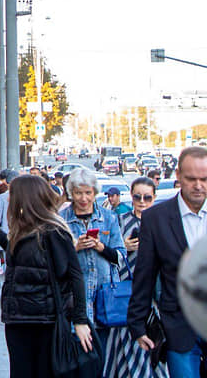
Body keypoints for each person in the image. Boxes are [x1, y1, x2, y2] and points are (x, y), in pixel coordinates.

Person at [0, 175, 93, 378]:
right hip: (19, 318)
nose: (9, 199)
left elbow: (75, 276)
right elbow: (16, 251)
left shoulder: (54, 231)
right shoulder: (25, 228)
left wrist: (80, 321)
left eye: (13, 195)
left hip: (43, 320)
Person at [128, 147, 207, 378]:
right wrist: (137, 323)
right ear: (178, 177)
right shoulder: (156, 218)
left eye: (204, 179)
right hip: (179, 326)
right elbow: (145, 273)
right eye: (191, 179)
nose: (198, 185)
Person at [104, 177, 169, 378]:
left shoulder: (162, 222)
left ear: (154, 197)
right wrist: (124, 247)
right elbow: (110, 255)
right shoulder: (119, 220)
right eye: (137, 196)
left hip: (156, 299)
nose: (142, 201)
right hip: (126, 296)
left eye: (147, 197)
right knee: (126, 349)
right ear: (131, 197)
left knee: (156, 350)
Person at [60, 168, 125, 350]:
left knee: (101, 359)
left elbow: (120, 256)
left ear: (95, 193)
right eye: (78, 193)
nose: (83, 198)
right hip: (74, 301)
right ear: (71, 193)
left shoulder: (109, 218)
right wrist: (75, 248)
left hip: (104, 300)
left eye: (88, 193)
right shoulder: (61, 220)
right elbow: (54, 261)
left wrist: (100, 247)